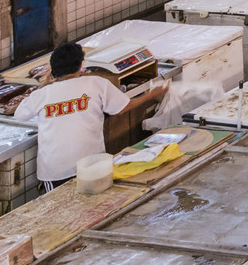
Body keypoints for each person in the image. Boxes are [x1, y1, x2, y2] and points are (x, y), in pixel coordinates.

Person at [16, 42, 165, 190]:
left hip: (55, 172)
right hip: (92, 166)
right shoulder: (96, 83)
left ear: (53, 69)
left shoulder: (42, 94)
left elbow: (20, 115)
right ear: (81, 65)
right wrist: (151, 95)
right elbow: (122, 107)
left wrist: (46, 84)